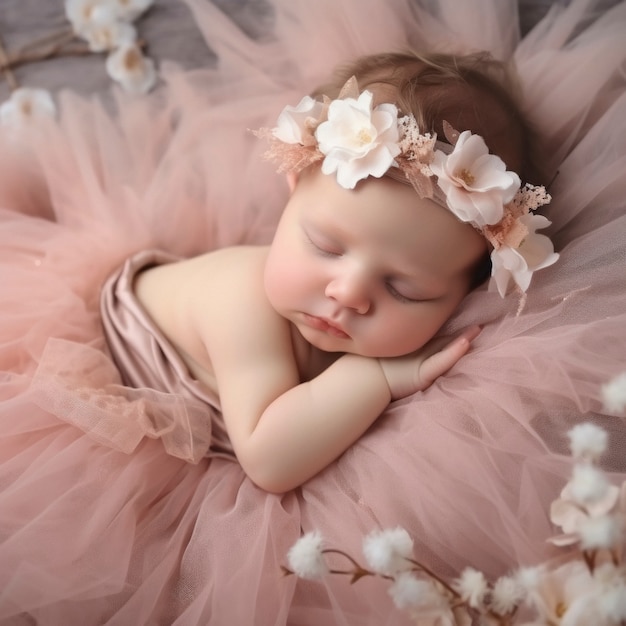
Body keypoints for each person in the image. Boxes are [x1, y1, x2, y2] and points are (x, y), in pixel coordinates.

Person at [102, 50, 557, 493]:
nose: (347, 293)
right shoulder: (238, 299)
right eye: (325, 247)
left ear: (469, 287)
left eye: (405, 290)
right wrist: (376, 378)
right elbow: (268, 461)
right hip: (114, 385)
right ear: (294, 188)